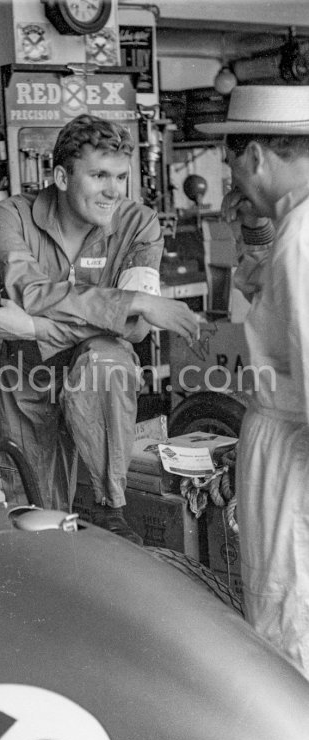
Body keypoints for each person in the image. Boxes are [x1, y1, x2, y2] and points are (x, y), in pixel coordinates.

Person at [0, 114, 198, 540]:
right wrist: (135, 302)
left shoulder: (139, 225)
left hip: (98, 379)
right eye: (98, 175)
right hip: (26, 383)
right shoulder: (9, 218)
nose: (113, 190)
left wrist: (34, 328)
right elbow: (31, 292)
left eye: (120, 177)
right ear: (60, 175)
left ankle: (111, 507)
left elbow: (133, 332)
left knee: (108, 359)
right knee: (36, 522)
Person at [197, 84, 309, 679]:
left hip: (294, 455)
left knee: (288, 622)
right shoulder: (292, 232)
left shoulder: (301, 239)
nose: (237, 185)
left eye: (235, 167)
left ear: (257, 156)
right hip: (290, 440)